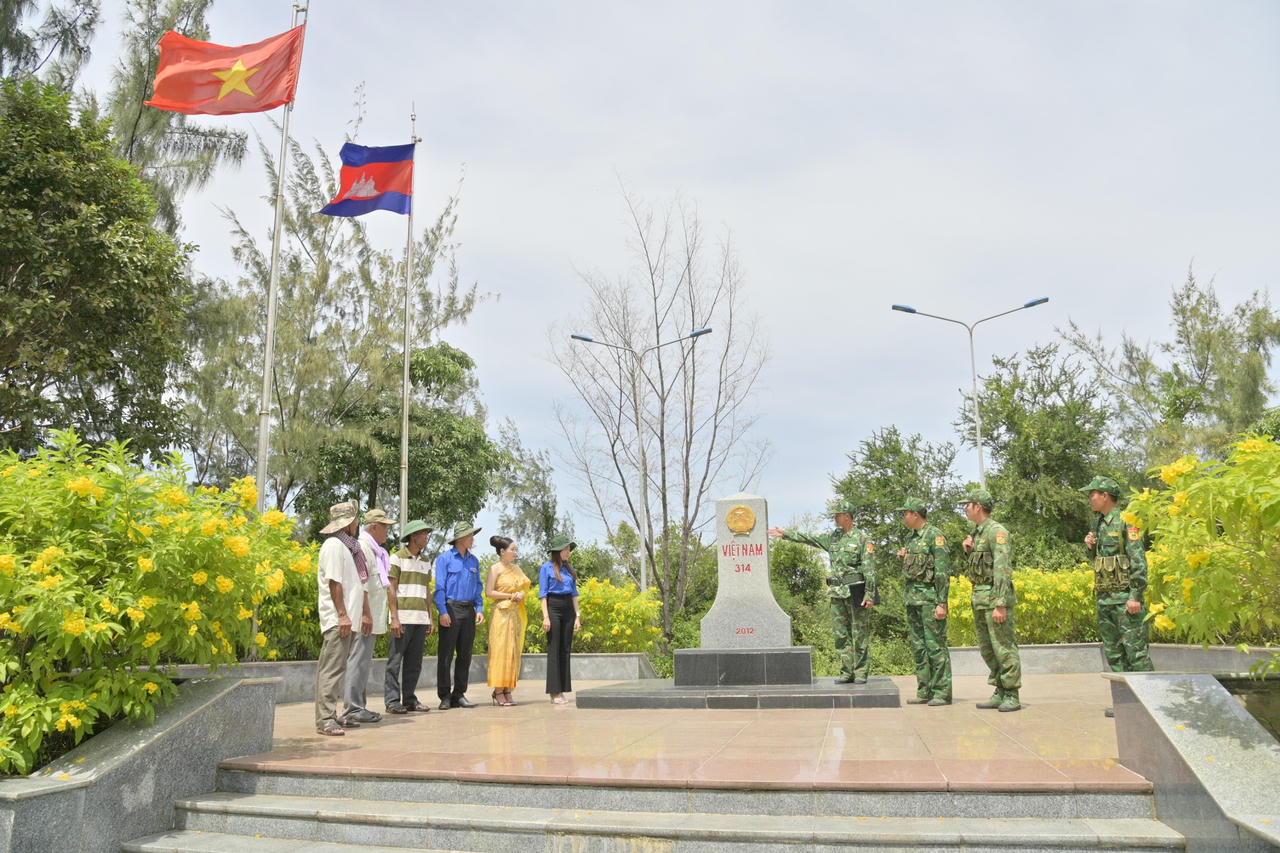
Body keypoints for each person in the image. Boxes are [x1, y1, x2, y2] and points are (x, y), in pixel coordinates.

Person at [768, 499, 877, 684]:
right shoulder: (834, 537)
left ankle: (860, 672)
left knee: (859, 634)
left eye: (838, 515)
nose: (835, 517)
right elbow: (811, 538)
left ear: (847, 517)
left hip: (856, 592)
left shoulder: (862, 539)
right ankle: (846, 672)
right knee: (841, 635)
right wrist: (786, 534)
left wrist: (870, 595)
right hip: (836, 592)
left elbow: (869, 569)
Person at [1082, 475, 1154, 678]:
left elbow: (1138, 560)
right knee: (1114, 654)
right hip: (1105, 600)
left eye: (1092, 495)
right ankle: (1126, 704)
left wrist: (1135, 596)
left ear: (1105, 496)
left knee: (1136, 654)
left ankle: (1147, 702)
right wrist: (1090, 547)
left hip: (1125, 602)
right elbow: (1100, 561)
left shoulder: (1126, 521)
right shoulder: (1098, 523)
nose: (1090, 499)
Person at [961, 488, 1022, 712]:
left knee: (1003, 648)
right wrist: (968, 551)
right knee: (987, 649)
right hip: (979, 597)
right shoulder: (977, 534)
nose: (965, 509)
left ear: (978, 506)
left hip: (993, 599)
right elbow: (980, 567)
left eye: (967, 505)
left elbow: (1002, 569)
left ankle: (1012, 694)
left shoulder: (997, 532)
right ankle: (1000, 689)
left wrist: (1000, 603)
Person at [314, 500, 372, 736]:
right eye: (356, 520)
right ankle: (325, 719)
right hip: (339, 620)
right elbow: (334, 582)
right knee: (331, 670)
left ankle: (331, 715)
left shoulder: (347, 547)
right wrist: (342, 615)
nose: (358, 524)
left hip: (347, 620)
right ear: (348, 524)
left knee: (335, 669)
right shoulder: (334, 545)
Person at [342, 508, 400, 724]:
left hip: (370, 616)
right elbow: (362, 586)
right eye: (385, 527)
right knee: (357, 662)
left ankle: (359, 707)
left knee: (363, 663)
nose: (388, 532)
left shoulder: (376, 551)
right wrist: (366, 615)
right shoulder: (363, 549)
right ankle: (353, 709)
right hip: (363, 618)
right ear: (373, 527)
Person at [896, 497, 953, 706]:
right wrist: (904, 557)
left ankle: (942, 692)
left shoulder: (935, 536)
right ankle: (925, 690)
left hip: (930, 600)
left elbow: (942, 572)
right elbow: (917, 567)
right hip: (912, 600)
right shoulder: (910, 538)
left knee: (935, 646)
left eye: (906, 513)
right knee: (919, 647)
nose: (904, 517)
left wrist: (942, 603)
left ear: (915, 514)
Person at [434, 521, 485, 709]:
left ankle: (459, 694)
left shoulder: (474, 561)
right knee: (446, 654)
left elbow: (478, 587)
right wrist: (442, 611)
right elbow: (439, 587)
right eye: (470, 535)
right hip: (451, 608)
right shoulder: (445, 559)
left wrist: (479, 609)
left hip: (469, 609)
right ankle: (445, 696)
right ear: (461, 538)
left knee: (465, 654)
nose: (473, 539)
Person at [385, 519, 435, 713]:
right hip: (403, 619)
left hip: (420, 619)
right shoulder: (396, 558)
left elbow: (426, 590)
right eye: (423, 534)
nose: (426, 538)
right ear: (413, 536)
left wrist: (430, 617)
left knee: (415, 663)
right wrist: (394, 618)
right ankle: (391, 701)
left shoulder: (425, 561)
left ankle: (409, 699)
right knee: (395, 661)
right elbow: (391, 588)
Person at [485, 535, 531, 706]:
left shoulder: (517, 569)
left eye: (515, 549)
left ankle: (508, 689)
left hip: (514, 615)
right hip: (501, 614)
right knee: (500, 651)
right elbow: (489, 592)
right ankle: (498, 691)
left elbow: (525, 587)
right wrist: (510, 595)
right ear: (502, 552)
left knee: (512, 652)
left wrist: (521, 595)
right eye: (512, 549)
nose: (515, 552)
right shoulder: (495, 569)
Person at [539, 534, 581, 704]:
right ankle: (554, 692)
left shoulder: (569, 569)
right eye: (565, 549)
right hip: (553, 608)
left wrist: (577, 616)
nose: (568, 552)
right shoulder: (546, 568)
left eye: (569, 549)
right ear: (557, 551)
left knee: (565, 648)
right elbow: (543, 595)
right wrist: (546, 617)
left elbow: (574, 594)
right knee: (554, 648)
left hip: (568, 609)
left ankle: (563, 689)